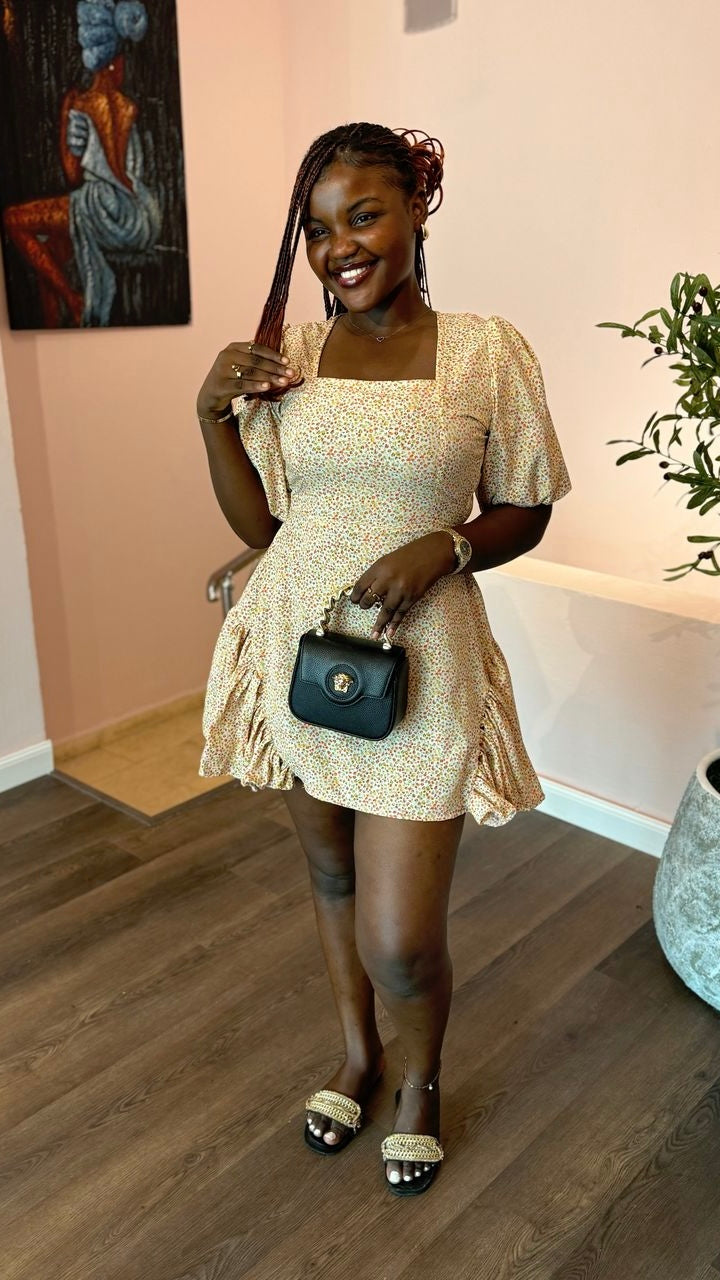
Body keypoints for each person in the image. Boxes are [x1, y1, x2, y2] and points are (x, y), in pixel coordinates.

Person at [196, 122, 571, 1196]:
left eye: (363, 216)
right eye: (318, 231)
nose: (339, 248)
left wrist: (446, 546)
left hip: (422, 663)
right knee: (329, 876)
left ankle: (419, 1080)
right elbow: (265, 528)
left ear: (418, 209)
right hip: (297, 648)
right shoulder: (296, 357)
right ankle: (358, 1057)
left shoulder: (487, 351)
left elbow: (526, 505)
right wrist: (211, 414)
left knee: (401, 936)